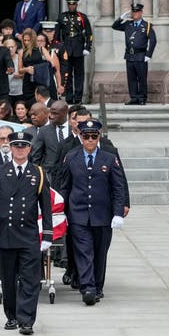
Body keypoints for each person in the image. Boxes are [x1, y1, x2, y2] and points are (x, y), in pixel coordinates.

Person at [0, 130, 53, 335]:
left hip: (29, 234)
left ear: (29, 149)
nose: (20, 150)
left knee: (30, 281)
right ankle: (11, 316)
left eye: (24, 146)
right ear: (10, 148)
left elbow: (46, 206)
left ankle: (27, 320)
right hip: (6, 233)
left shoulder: (38, 173)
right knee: (9, 280)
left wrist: (47, 234)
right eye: (16, 146)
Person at [61, 118, 129, 304]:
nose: (90, 140)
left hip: (102, 214)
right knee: (84, 252)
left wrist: (117, 213)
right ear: (81, 137)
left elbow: (118, 187)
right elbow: (65, 187)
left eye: (93, 136)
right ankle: (88, 288)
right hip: (78, 214)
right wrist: (62, 212)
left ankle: (97, 286)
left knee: (100, 253)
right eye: (86, 136)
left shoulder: (109, 158)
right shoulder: (71, 157)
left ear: (98, 137)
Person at [111, 3, 156, 105]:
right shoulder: (128, 24)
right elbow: (114, 26)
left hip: (141, 56)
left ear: (141, 13)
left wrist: (148, 54)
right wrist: (121, 18)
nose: (134, 14)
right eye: (133, 12)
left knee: (141, 78)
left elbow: (153, 41)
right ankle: (134, 97)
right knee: (131, 78)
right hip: (129, 56)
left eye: (136, 12)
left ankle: (142, 98)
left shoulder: (147, 25)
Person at [54, 0, 93, 105]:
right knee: (67, 74)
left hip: (78, 49)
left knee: (79, 74)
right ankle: (69, 97)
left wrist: (87, 47)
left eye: (73, 4)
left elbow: (89, 34)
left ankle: (78, 97)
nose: (72, 6)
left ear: (76, 5)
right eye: (70, 4)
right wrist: (56, 48)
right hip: (66, 49)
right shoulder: (62, 17)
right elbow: (57, 34)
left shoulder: (82, 17)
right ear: (68, 5)